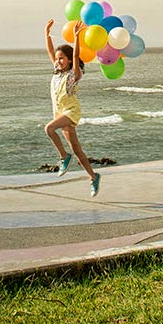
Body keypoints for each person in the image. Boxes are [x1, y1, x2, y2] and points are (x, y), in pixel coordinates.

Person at [44, 19, 100, 197]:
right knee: (77, 151)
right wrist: (47, 34)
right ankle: (94, 177)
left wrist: (76, 37)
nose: (58, 61)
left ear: (68, 60)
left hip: (71, 112)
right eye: (58, 59)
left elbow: (76, 56)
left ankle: (63, 157)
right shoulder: (57, 72)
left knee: (49, 128)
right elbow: (51, 51)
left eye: (62, 58)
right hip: (60, 113)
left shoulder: (74, 75)